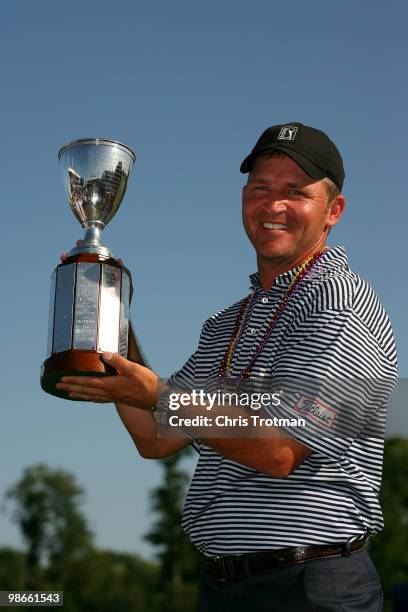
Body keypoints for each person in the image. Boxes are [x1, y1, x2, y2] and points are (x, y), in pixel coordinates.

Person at [57, 122, 397, 611]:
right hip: (223, 586)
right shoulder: (226, 324)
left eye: (295, 192)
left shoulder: (340, 303)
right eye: (261, 188)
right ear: (244, 198)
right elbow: (157, 436)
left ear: (333, 211)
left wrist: (158, 395)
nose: (273, 205)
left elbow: (280, 449)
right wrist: (109, 317)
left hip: (310, 583)